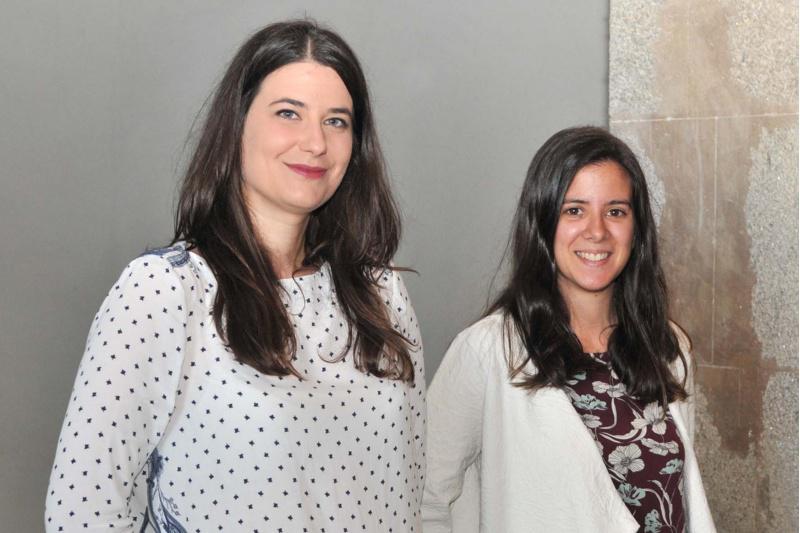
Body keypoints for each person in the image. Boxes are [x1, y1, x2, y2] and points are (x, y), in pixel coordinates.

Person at [45, 20, 425, 532]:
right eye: (288, 113)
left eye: (336, 121)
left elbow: (410, 491)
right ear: (237, 124)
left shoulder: (382, 294)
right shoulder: (165, 290)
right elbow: (83, 511)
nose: (315, 142)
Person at [422, 126, 715, 532]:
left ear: (637, 229)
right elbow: (423, 499)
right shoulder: (486, 352)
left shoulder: (668, 347)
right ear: (542, 222)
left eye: (616, 211)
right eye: (574, 210)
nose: (597, 231)